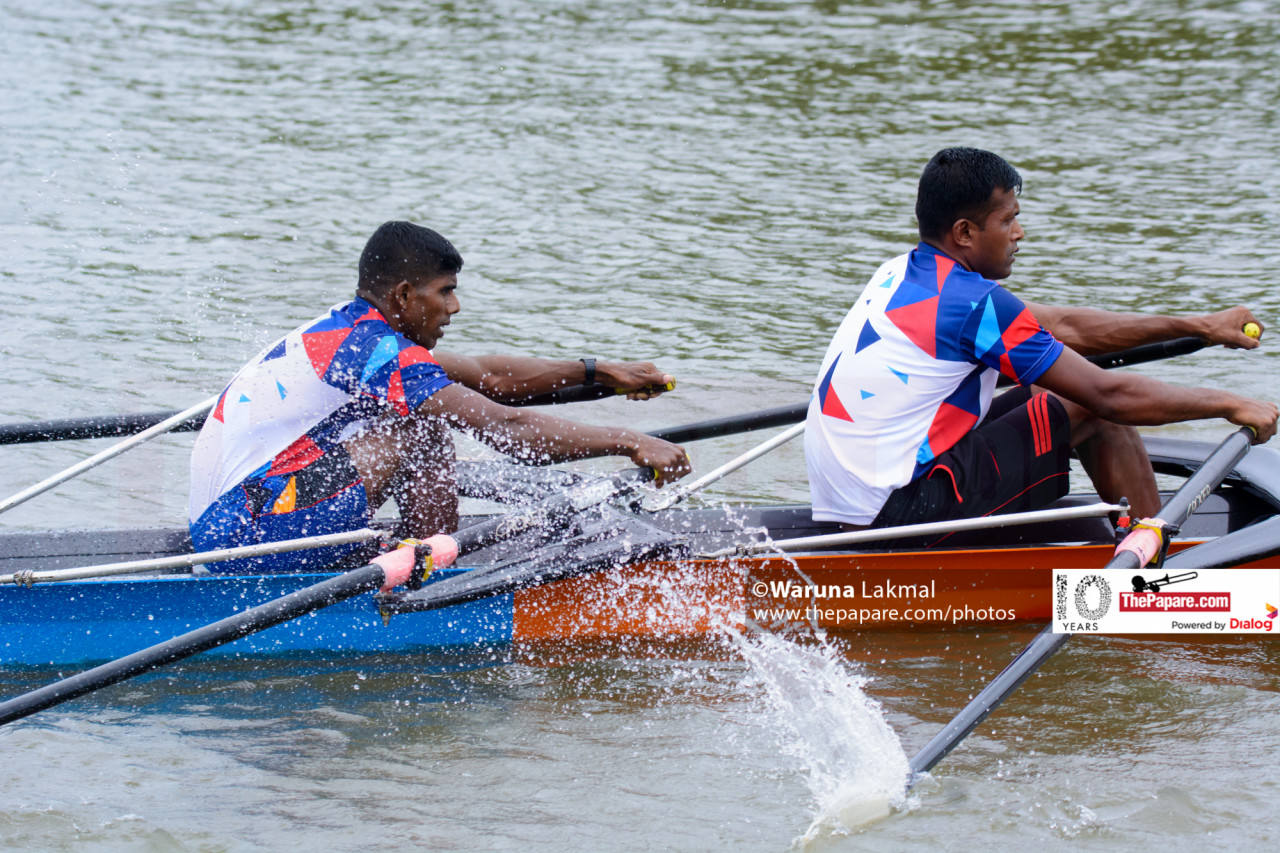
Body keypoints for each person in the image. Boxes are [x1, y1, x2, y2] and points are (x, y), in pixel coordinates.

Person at [804, 147, 1278, 531]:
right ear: (965, 232)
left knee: (1067, 388)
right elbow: (1108, 395)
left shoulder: (901, 274)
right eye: (1008, 220)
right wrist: (1231, 404)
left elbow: (1065, 326)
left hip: (851, 498)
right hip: (902, 512)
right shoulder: (975, 305)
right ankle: (1152, 570)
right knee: (1092, 403)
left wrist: (1197, 325)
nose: (1020, 233)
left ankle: (1140, 533)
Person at [189, 221, 692, 572]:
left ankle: (411, 553)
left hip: (234, 521)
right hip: (240, 538)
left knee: (425, 415)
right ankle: (426, 576)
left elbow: (487, 378)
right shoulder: (372, 349)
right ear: (406, 295)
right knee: (423, 429)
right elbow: (509, 429)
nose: (455, 306)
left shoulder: (351, 330)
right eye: (445, 291)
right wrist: (630, 442)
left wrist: (599, 370)